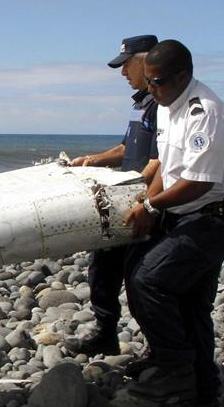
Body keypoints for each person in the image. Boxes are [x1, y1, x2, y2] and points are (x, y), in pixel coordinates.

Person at [123, 40, 224, 407]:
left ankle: (175, 370)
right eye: (148, 82)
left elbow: (198, 182)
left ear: (184, 76)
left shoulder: (205, 113)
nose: (151, 90)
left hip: (217, 218)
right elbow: (167, 165)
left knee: (150, 281)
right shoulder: (167, 105)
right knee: (187, 302)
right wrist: (149, 205)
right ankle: (202, 400)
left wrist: (150, 206)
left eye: (158, 82)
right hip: (188, 214)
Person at [65, 34, 160, 358]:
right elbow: (124, 149)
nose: (122, 73)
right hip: (126, 198)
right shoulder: (140, 104)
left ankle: (158, 350)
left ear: (146, 62)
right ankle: (106, 332)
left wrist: (141, 200)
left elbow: (161, 162)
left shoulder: (163, 105)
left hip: (146, 203)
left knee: (141, 280)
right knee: (102, 266)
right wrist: (91, 160)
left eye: (126, 65)